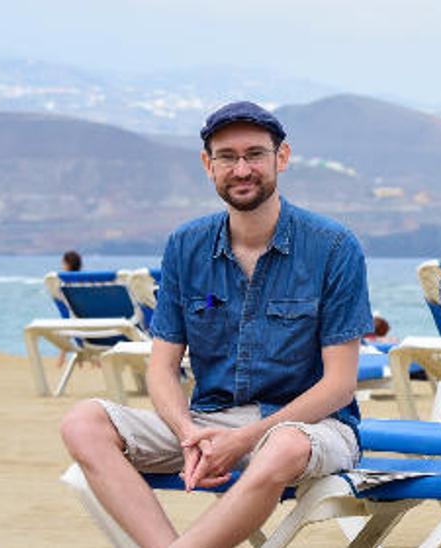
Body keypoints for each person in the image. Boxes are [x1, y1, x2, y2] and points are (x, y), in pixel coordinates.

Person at [59, 101, 373, 547]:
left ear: (281, 158)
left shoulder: (333, 246)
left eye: (255, 154)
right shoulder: (186, 245)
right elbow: (162, 369)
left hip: (313, 428)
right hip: (209, 424)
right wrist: (188, 432)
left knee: (282, 444)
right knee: (82, 423)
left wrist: (245, 439)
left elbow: (339, 386)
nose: (241, 168)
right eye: (227, 156)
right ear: (208, 165)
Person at [54, 250, 84, 369]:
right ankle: (95, 362)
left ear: (67, 264)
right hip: (87, 318)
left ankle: (61, 359)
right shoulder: (84, 282)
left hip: (73, 319)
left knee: (68, 324)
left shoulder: (64, 285)